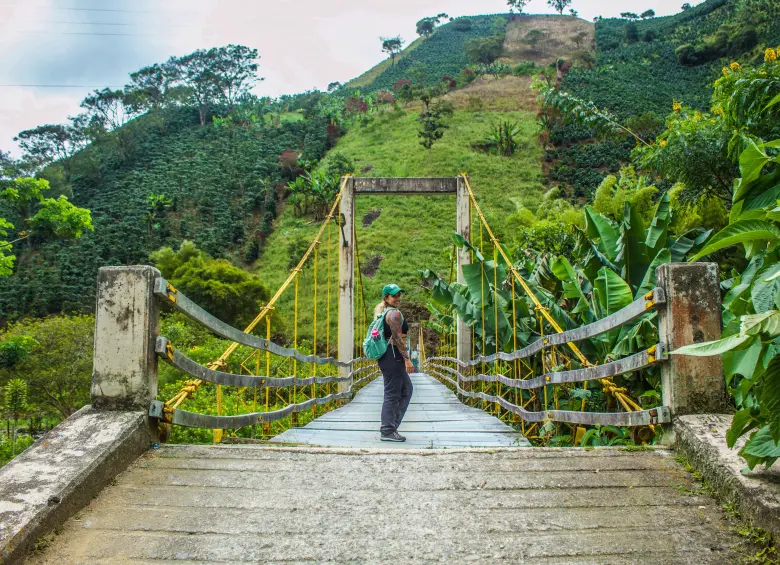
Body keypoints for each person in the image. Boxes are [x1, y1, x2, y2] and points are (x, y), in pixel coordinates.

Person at [375, 283, 414, 442]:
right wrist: (407, 359)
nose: (398, 298)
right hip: (393, 356)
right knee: (392, 393)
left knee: (406, 389)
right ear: (386, 298)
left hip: (388, 356)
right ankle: (387, 430)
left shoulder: (383, 311)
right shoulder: (394, 314)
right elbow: (398, 339)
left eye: (399, 295)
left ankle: (391, 427)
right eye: (394, 296)